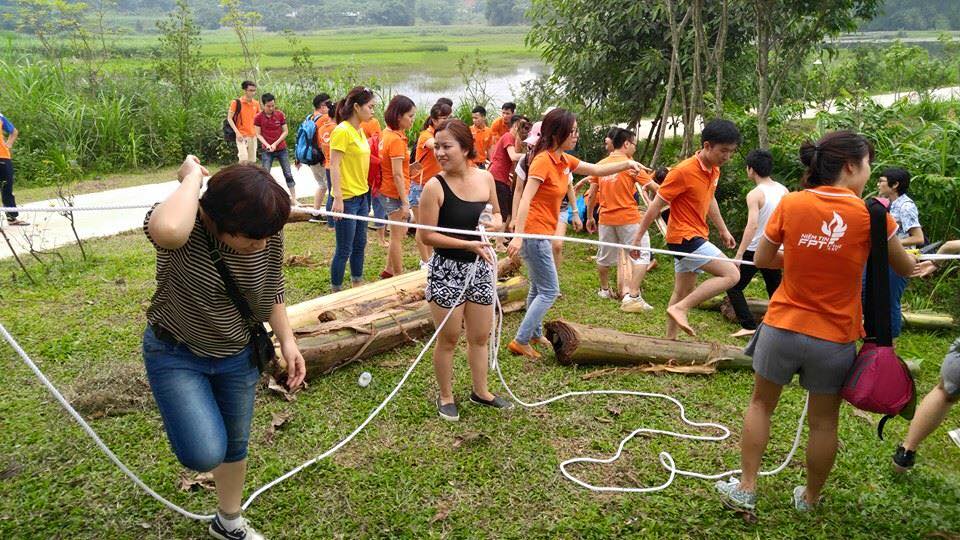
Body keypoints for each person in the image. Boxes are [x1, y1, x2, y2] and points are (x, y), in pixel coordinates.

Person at [714, 131, 916, 513]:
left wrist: (806, 257)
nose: (870, 173)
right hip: (834, 339)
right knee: (824, 424)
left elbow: (763, 260)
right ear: (851, 166)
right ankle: (809, 499)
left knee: (761, 405)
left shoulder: (793, 203)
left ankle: (746, 488)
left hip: (782, 326)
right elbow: (903, 266)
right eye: (868, 164)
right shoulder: (873, 214)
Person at [143, 156, 306, 540]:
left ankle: (228, 522)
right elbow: (167, 229)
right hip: (177, 354)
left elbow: (273, 286)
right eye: (251, 240)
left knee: (235, 444)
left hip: (238, 355)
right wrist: (190, 178)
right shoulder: (185, 226)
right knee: (203, 452)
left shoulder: (262, 228)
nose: (261, 245)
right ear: (215, 220)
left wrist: (288, 340)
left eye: (267, 237)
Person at [506, 108, 644, 359]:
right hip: (534, 233)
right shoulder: (542, 160)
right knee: (549, 290)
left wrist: (627, 163)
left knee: (538, 288)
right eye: (573, 132)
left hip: (543, 232)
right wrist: (517, 234)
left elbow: (596, 169)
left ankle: (534, 334)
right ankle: (521, 340)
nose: (576, 136)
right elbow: (525, 198)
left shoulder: (563, 160)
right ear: (558, 133)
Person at [418, 119, 512, 421]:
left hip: (481, 269)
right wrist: (467, 244)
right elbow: (426, 236)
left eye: (447, 146)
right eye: (437, 146)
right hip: (447, 270)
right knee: (448, 339)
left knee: (480, 336)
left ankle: (481, 391)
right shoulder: (434, 187)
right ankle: (446, 395)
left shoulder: (485, 179)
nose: (440, 153)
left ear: (466, 148)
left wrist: (495, 225)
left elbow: (498, 215)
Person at [632, 119, 742, 339]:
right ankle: (681, 308)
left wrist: (723, 229)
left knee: (682, 291)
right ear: (707, 145)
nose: (727, 157)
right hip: (684, 238)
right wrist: (637, 239)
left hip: (697, 233)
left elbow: (710, 200)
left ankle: (669, 341)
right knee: (732, 274)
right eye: (723, 151)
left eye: (731, 152)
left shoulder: (713, 170)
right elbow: (655, 206)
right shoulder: (682, 171)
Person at [585, 128, 658, 312]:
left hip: (605, 218)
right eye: (634, 144)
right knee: (643, 254)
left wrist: (589, 216)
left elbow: (593, 193)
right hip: (628, 218)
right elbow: (654, 187)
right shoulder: (631, 164)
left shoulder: (601, 164)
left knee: (604, 255)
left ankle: (603, 290)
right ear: (626, 144)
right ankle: (633, 296)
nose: (634, 148)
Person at [726, 149, 789, 338]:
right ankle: (781, 323)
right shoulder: (783, 190)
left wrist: (739, 254)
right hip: (777, 248)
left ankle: (748, 325)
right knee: (775, 289)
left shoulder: (755, 194)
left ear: (751, 169)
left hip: (755, 249)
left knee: (733, 286)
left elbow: (752, 225)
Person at [329, 86, 375, 291]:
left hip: (362, 196)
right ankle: (336, 290)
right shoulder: (342, 130)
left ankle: (357, 284)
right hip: (346, 199)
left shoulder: (361, 131)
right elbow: (334, 164)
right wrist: (337, 197)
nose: (373, 111)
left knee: (360, 244)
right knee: (344, 249)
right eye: (370, 106)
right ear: (357, 107)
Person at [876, 167, 924, 338]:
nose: (878, 184)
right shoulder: (887, 204)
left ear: (895, 184)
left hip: (901, 259)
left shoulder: (906, 206)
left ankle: (891, 342)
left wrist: (891, 243)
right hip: (885, 257)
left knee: (890, 301)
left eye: (881, 180)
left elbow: (918, 238)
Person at [378, 95, 417, 279]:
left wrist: (410, 169)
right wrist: (405, 203)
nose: (413, 120)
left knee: (397, 233)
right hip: (393, 192)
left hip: (387, 189)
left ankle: (389, 270)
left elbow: (397, 169)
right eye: (410, 116)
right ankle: (400, 276)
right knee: (397, 235)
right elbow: (397, 174)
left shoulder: (387, 134)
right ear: (399, 116)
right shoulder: (395, 140)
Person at [411, 102, 452, 267]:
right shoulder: (426, 135)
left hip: (435, 186)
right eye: (443, 118)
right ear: (434, 120)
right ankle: (425, 261)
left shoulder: (440, 134)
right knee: (422, 226)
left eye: (449, 117)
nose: (446, 121)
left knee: (432, 226)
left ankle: (432, 258)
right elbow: (434, 146)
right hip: (419, 186)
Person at [488, 115, 532, 249]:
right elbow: (513, 156)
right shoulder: (508, 136)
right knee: (503, 211)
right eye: (522, 126)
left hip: (502, 177)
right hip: (497, 176)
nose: (524, 130)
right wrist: (531, 155)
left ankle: (499, 237)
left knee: (506, 210)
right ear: (516, 125)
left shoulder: (512, 138)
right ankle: (499, 243)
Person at [253, 93, 297, 202]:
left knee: (288, 173)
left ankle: (294, 198)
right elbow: (258, 134)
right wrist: (267, 145)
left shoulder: (280, 114)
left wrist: (275, 144)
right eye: (268, 106)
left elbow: (285, 131)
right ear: (263, 105)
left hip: (281, 148)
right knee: (265, 174)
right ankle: (264, 198)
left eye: (273, 105)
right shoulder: (258, 117)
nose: (271, 108)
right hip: (267, 150)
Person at [299, 93, 333, 222]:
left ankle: (315, 212)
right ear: (322, 106)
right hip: (321, 158)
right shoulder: (324, 118)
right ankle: (331, 218)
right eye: (329, 104)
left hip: (311, 157)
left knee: (321, 185)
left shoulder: (309, 117)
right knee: (331, 188)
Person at [0, 111, 26, 226]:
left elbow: (14, 131)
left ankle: (12, 218)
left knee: (7, 188)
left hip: (3, 156)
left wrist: (9, 144)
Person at [227, 81, 262, 165]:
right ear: (245, 90)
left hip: (253, 136)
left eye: (254, 90)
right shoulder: (236, 103)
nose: (253, 93)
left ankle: (249, 177)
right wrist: (237, 133)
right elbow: (229, 118)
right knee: (243, 159)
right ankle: (239, 176)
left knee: (252, 161)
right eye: (250, 90)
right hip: (241, 135)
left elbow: (259, 119)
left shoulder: (256, 103)